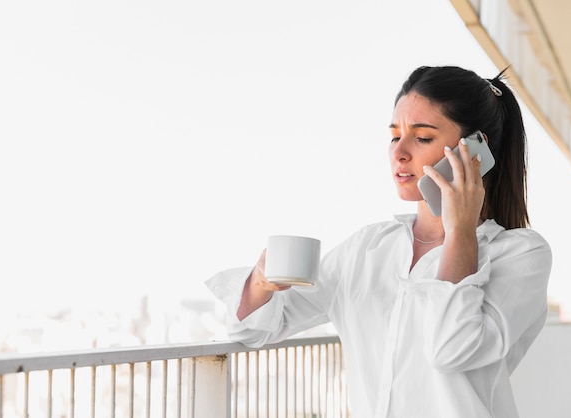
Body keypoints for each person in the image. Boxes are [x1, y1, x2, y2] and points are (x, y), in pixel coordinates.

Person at [205, 65, 552, 417]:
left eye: (422, 137)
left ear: (474, 151)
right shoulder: (368, 249)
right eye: (394, 135)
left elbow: (452, 349)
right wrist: (264, 281)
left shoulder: (520, 254)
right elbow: (252, 329)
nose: (399, 152)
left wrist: (460, 229)